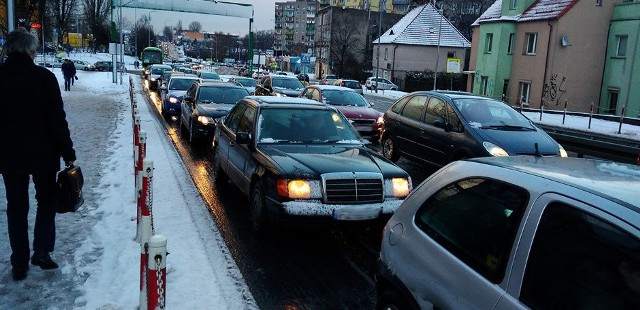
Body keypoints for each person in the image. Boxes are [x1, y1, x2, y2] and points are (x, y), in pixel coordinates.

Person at [0, 28, 77, 281]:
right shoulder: (44, 78)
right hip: (44, 154)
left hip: (10, 156)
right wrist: (67, 151)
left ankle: (19, 262)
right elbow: (57, 118)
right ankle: (42, 251)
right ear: (29, 51)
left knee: (16, 207)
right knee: (46, 201)